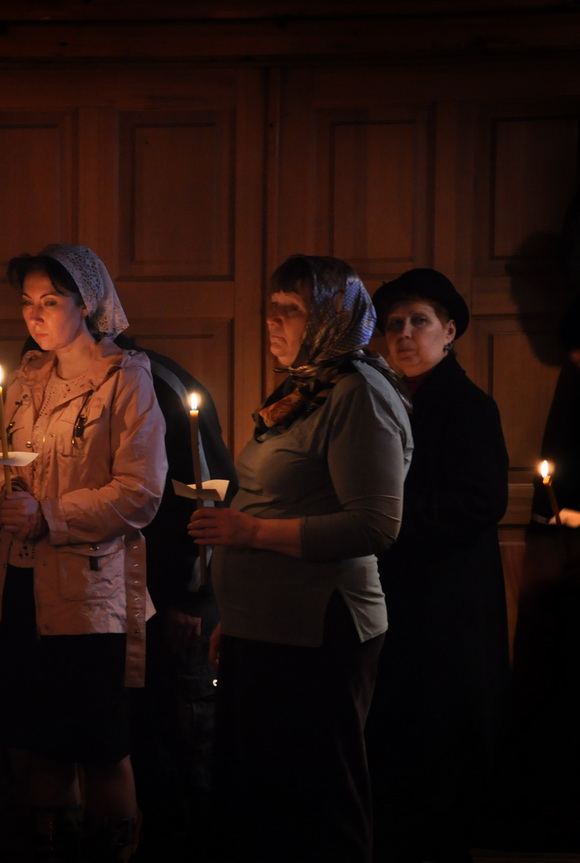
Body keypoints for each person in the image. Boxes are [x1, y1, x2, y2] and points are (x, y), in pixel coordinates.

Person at [188, 254, 412, 863]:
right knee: (265, 806)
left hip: (319, 630)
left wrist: (249, 532)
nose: (273, 320)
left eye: (291, 309)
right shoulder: (306, 388)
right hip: (266, 629)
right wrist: (237, 618)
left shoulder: (358, 394)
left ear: (332, 318)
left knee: (320, 806)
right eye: (272, 307)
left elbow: (375, 524)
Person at [0, 244, 167, 862]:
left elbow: (139, 493)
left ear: (85, 304)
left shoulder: (124, 379)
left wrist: (50, 514)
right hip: (21, 588)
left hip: (90, 599)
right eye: (27, 303)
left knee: (100, 745)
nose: (35, 315)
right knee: (40, 744)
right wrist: (1, 500)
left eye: (50, 302)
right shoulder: (25, 380)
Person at [367, 268, 509, 862]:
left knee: (441, 745)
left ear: (448, 332)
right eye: (393, 323)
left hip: (447, 604)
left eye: (418, 321)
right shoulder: (388, 399)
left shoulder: (466, 405)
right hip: (403, 596)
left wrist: (382, 524)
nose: (403, 333)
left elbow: (480, 501)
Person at [128, 350, 233, 863]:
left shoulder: (159, 381)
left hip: (178, 598)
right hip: (123, 598)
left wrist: (192, 593)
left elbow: (207, 489)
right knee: (145, 741)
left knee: (190, 740)